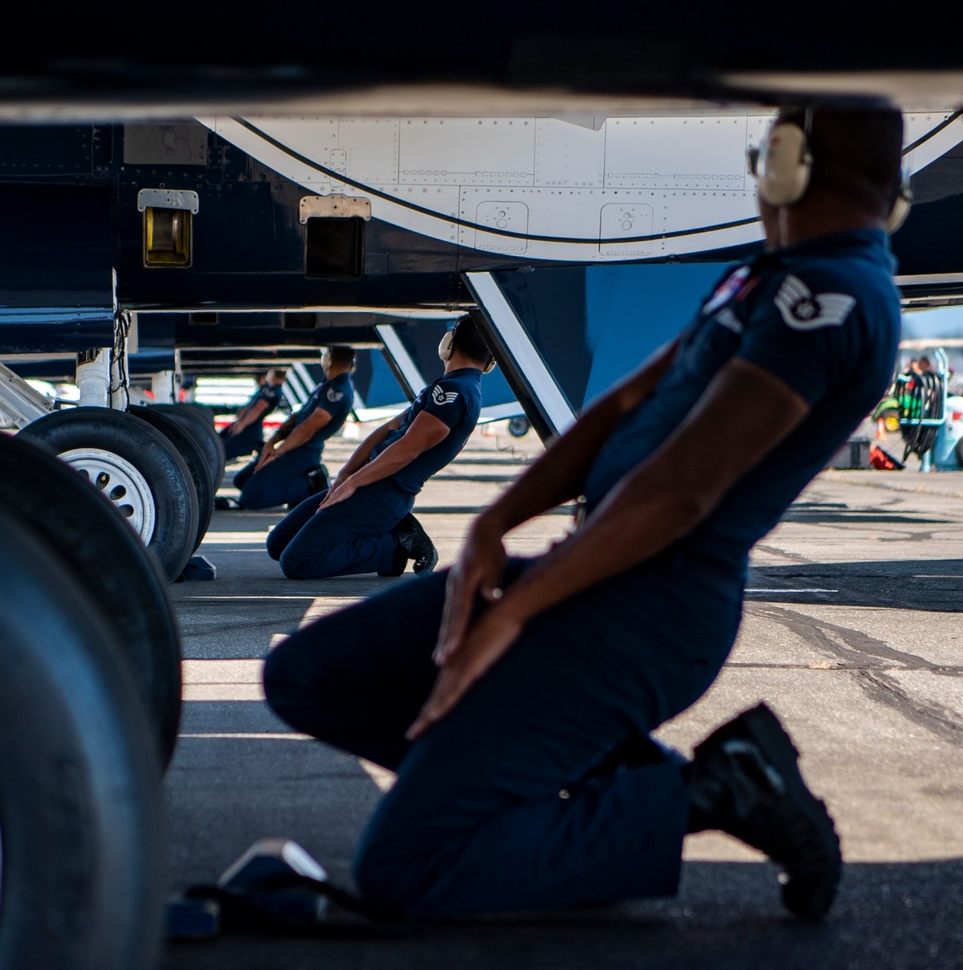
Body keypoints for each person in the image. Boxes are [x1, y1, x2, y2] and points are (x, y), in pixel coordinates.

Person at [263, 107, 904, 924]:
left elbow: (683, 491)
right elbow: (630, 400)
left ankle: (703, 796)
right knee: (308, 677)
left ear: (788, 162)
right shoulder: (772, 275)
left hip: (648, 614)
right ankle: (599, 783)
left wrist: (516, 613)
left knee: (406, 870)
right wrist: (497, 523)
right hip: (588, 577)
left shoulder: (838, 300)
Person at [265, 315, 493, 579]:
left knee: (297, 562)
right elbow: (385, 431)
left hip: (383, 493)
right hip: (369, 483)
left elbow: (408, 449)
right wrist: (345, 476)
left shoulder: (455, 394)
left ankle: (396, 544)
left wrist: (353, 484)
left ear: (449, 343)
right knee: (278, 543)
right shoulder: (450, 388)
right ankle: (390, 533)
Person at [230, 348, 356, 510]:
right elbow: (299, 416)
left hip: (301, 453)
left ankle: (307, 487)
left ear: (329, 360)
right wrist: (272, 442)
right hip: (292, 446)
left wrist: (278, 452)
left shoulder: (338, 391)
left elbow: (307, 430)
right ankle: (294, 485)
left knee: (250, 497)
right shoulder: (327, 385)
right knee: (241, 480)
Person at [219, 369, 288, 462]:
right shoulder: (268, 388)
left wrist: (241, 424)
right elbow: (250, 406)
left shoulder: (273, 391)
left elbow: (258, 409)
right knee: (221, 443)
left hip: (250, 425)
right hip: (248, 423)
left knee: (223, 450)